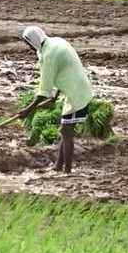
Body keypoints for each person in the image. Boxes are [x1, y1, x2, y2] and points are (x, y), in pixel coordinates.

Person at [18, 26, 93, 174]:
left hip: (76, 93)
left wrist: (28, 109)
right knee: (65, 130)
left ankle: (67, 170)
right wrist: (57, 95)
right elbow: (65, 68)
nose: (28, 47)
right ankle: (59, 166)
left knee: (66, 131)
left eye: (28, 43)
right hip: (76, 89)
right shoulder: (56, 42)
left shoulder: (48, 55)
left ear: (33, 41)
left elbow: (44, 89)